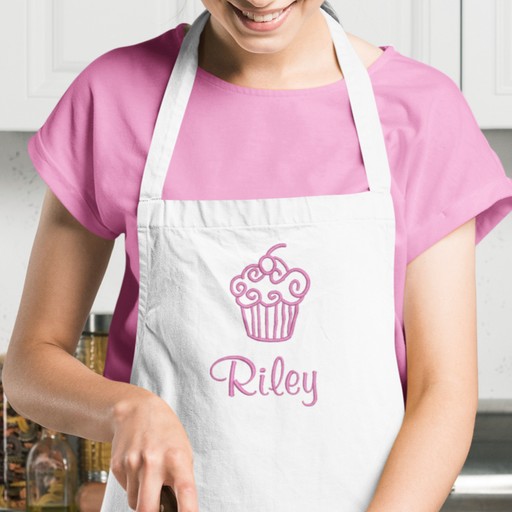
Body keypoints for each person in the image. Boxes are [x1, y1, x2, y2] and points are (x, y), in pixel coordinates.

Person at [4, 1, 512, 510]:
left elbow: (441, 393)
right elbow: (29, 364)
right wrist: (125, 409)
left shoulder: (423, 113)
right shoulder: (115, 96)